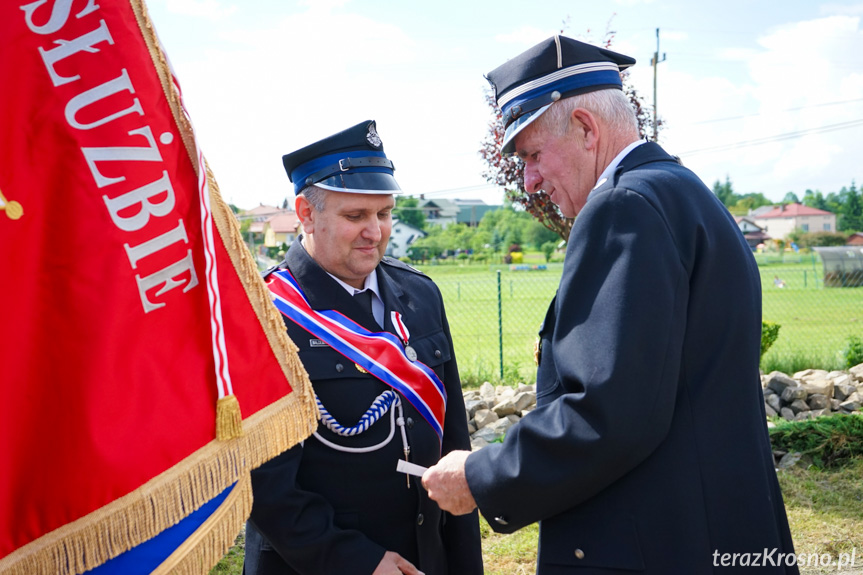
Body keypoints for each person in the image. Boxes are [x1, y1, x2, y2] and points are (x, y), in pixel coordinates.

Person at [422, 36, 798, 573]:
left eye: (531, 155)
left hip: (651, 544)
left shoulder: (624, 206)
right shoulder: (681, 191)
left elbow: (609, 412)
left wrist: (482, 476)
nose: (528, 181)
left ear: (585, 127)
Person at [245, 120, 483, 575]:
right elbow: (263, 485)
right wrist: (357, 562)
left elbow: (454, 445)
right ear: (306, 213)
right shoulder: (266, 314)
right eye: (355, 216)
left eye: (385, 214)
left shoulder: (421, 296)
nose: (375, 231)